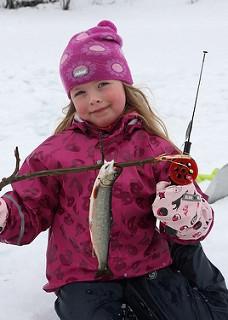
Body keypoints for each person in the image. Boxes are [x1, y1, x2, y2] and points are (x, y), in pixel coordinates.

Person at [0, 20, 227, 320]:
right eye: (79, 92)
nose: (92, 98)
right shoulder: (54, 153)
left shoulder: (154, 149)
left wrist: (185, 213)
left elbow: (195, 216)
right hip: (80, 274)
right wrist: (6, 215)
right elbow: (30, 207)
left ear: (124, 84)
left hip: (148, 265)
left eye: (102, 84)